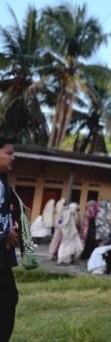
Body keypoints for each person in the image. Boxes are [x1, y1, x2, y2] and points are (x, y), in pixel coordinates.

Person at [0, 136, 19, 342]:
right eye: (9, 153)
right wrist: (5, 234)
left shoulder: (4, 181)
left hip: (3, 260)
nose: (13, 157)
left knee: (9, 299)